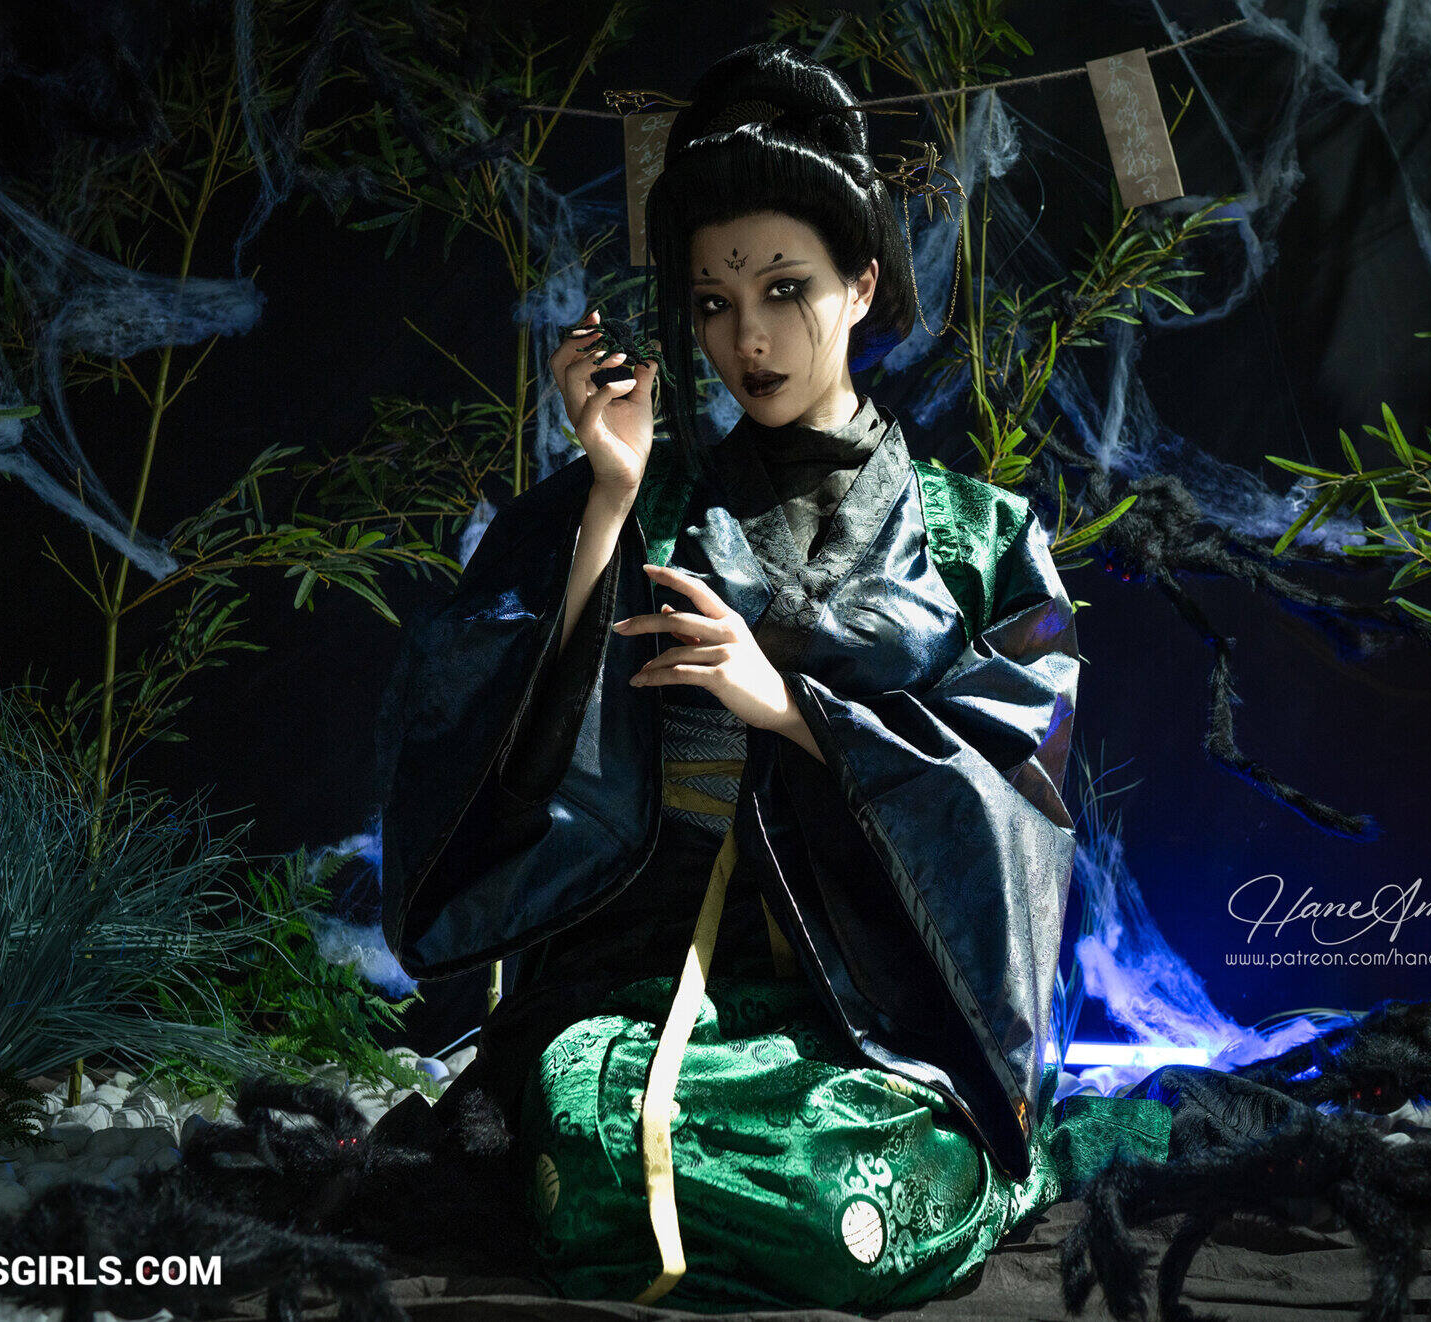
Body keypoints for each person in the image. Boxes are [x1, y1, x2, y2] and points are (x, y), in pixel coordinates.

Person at [371, 41, 1170, 1313]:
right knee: (584, 1115)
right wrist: (609, 496)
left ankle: (930, 1173)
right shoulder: (657, 498)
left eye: (785, 288)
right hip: (653, 980)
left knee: (832, 1179)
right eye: (711, 301)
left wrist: (793, 709)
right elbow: (505, 740)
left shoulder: (978, 537)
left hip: (874, 1015)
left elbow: (1015, 805)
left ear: (861, 284)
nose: (746, 338)